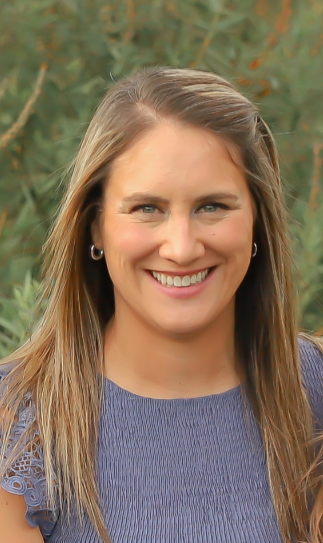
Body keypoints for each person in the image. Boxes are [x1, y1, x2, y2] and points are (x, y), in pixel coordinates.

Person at [0, 66, 323, 543]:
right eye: (146, 208)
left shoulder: (313, 394)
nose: (181, 247)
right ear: (94, 227)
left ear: (258, 221)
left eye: (212, 206)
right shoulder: (16, 424)